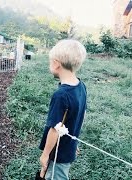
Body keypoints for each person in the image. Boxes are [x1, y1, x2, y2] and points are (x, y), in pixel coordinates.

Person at [39, 39, 87, 180]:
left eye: (50, 62)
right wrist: (75, 141)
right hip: (68, 147)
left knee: (55, 176)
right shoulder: (81, 86)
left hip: (58, 153)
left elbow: (55, 129)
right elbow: (81, 115)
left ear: (56, 63)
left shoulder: (61, 95)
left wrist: (46, 154)